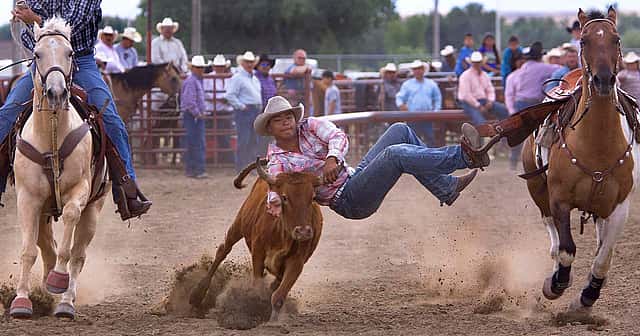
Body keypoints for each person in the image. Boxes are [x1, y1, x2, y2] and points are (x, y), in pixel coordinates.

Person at [2, 1, 151, 220]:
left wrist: (35, 20)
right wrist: (26, 22)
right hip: (44, 62)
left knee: (111, 120)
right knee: (6, 114)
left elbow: (74, 23)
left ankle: (127, 188)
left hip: (80, 61)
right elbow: (28, 36)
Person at [257, 96, 488, 220]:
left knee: (400, 130)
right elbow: (275, 186)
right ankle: (464, 157)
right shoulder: (277, 159)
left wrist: (332, 158)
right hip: (347, 200)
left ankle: (446, 187)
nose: (286, 121)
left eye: (288, 116)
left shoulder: (310, 125)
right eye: (278, 119)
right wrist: (274, 203)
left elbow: (338, 136)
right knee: (394, 154)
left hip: (354, 178)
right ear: (271, 128)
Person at [504, 42, 561, 170]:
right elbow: (559, 69)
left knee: (519, 131)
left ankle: (513, 161)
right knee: (540, 131)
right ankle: (541, 158)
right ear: (540, 56)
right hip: (535, 104)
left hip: (520, 103)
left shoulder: (521, 70)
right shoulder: (544, 67)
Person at [226, 51, 263, 171]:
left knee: (253, 140)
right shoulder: (238, 78)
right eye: (247, 62)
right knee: (244, 140)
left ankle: (249, 166)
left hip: (254, 110)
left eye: (251, 62)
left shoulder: (254, 78)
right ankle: (242, 166)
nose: (249, 64)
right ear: (243, 63)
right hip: (245, 111)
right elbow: (230, 95)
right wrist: (241, 106)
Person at [396, 60, 442, 145]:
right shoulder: (407, 84)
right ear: (413, 71)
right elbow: (399, 97)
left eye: (419, 69)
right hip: (412, 116)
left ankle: (431, 157)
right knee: (413, 140)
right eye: (415, 69)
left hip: (427, 116)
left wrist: (436, 111)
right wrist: (401, 105)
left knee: (430, 139)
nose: (417, 71)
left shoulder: (431, 84)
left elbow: (437, 98)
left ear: (423, 70)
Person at [457, 52, 509, 125]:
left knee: (504, 110)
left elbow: (490, 89)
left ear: (481, 63)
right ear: (472, 63)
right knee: (479, 121)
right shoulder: (465, 76)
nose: (477, 64)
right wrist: (478, 105)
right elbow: (466, 95)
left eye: (478, 62)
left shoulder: (484, 75)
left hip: (483, 101)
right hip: (468, 103)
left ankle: (504, 130)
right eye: (475, 62)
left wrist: (490, 101)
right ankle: (483, 134)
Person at [181, 56, 210, 179]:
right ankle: (196, 169)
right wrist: (198, 114)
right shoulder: (192, 81)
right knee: (196, 142)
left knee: (195, 142)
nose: (200, 70)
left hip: (193, 116)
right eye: (198, 67)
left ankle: (193, 169)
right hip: (193, 117)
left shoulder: (193, 80)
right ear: (192, 68)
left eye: (201, 68)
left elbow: (190, 101)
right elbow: (189, 102)